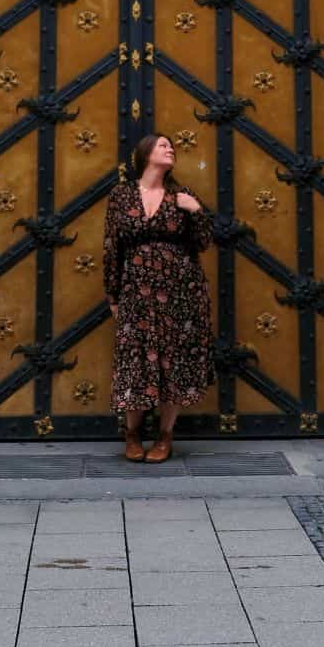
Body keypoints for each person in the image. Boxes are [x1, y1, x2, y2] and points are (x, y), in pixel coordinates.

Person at [103, 133, 215, 462]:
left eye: (171, 147)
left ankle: (165, 436)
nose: (170, 149)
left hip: (181, 292)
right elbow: (111, 246)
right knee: (135, 359)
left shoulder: (181, 195)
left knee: (174, 361)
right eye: (163, 145)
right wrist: (112, 294)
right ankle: (133, 434)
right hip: (136, 291)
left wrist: (196, 211)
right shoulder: (121, 195)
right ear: (145, 152)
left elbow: (204, 241)